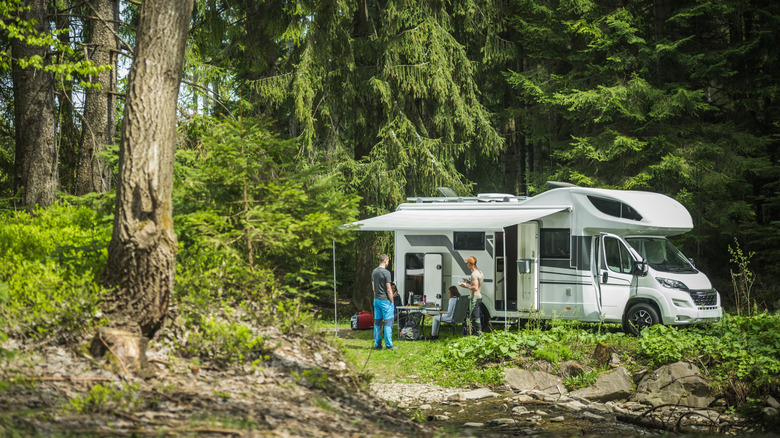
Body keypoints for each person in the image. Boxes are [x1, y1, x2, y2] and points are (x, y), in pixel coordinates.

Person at [372, 254, 397, 350]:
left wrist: (377, 296)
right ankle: (389, 345)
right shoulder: (386, 273)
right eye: (388, 261)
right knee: (388, 322)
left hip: (376, 300)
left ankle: (377, 344)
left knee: (377, 322)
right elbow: (389, 289)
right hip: (385, 300)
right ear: (385, 260)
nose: (388, 263)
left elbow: (374, 288)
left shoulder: (374, 272)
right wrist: (391, 300)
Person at [459, 256, 483, 335]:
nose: (466, 265)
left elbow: (475, 287)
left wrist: (465, 286)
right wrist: (468, 281)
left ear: (470, 264)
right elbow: (477, 284)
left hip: (474, 298)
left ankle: (478, 333)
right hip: (479, 296)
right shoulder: (479, 272)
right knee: (477, 316)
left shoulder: (474, 274)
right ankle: (477, 332)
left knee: (474, 317)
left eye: (467, 263)